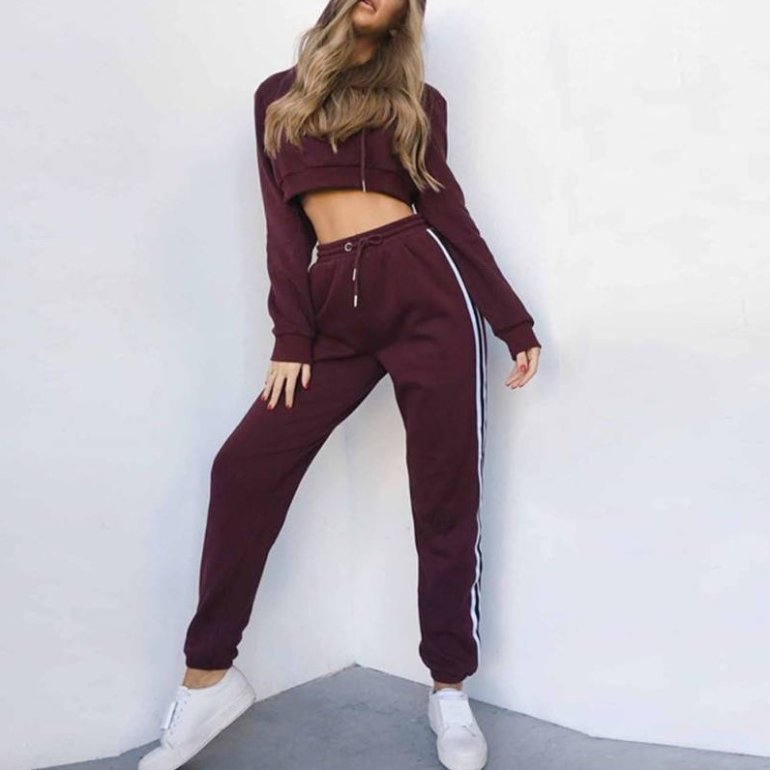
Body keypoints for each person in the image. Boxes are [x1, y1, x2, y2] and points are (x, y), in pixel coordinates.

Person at [138, 1, 541, 769]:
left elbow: (447, 210)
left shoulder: (419, 101)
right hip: (332, 310)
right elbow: (283, 229)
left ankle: (449, 689)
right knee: (243, 468)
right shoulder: (278, 96)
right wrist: (292, 336)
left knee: (445, 494)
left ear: (406, 14)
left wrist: (511, 320)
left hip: (427, 292)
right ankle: (208, 679)